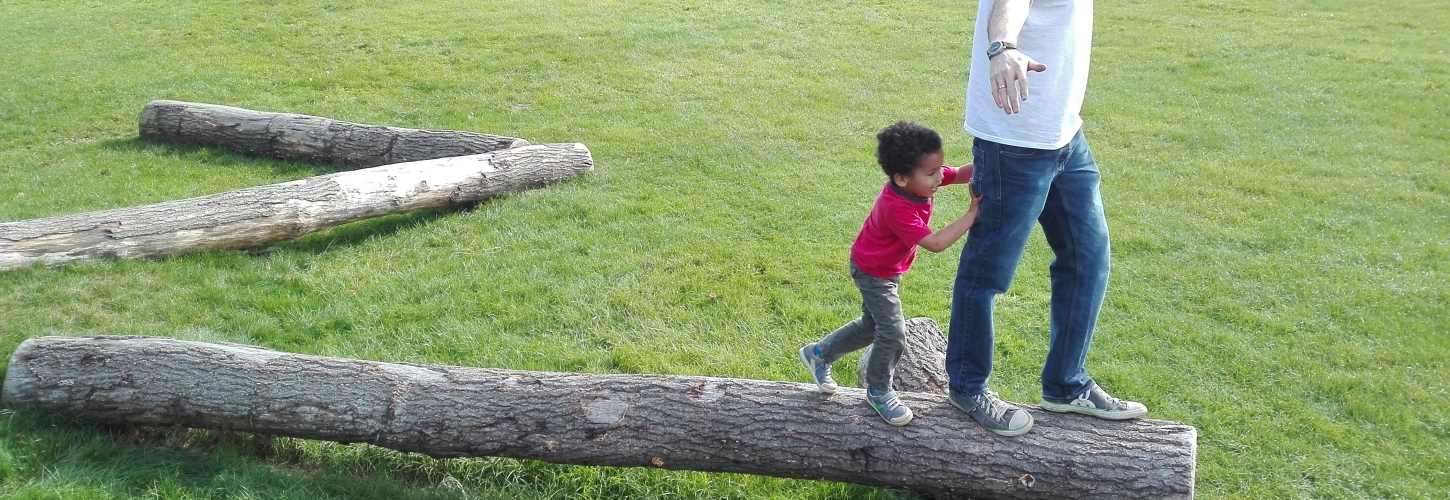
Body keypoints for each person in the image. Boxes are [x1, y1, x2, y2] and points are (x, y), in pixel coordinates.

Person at [946, 0, 1148, 437]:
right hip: (1014, 141)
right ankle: (966, 387)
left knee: (1088, 258)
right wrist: (1002, 47)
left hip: (1064, 134)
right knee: (988, 273)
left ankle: (1065, 383)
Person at [800, 121, 983, 426]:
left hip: (883, 268)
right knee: (893, 332)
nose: (940, 177)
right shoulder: (896, 206)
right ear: (900, 178)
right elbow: (935, 243)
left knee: (873, 326)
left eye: (939, 169)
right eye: (931, 173)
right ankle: (878, 390)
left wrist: (994, 158)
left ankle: (819, 353)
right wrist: (971, 214)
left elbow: (962, 173)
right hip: (873, 272)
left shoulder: (920, 180)